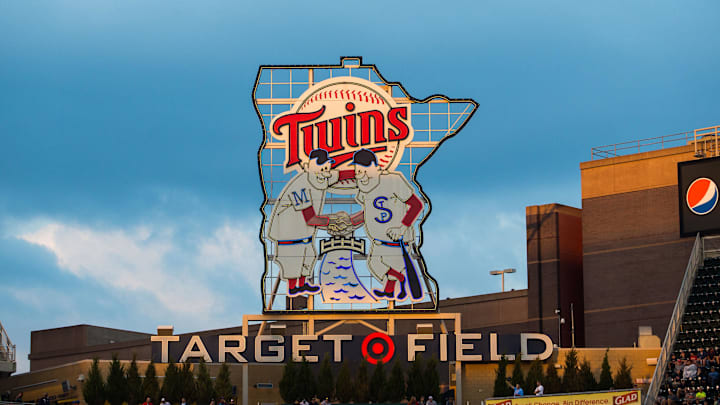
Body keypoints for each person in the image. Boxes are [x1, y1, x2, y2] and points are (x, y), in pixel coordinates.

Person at [267, 148, 353, 297]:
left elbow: (340, 175)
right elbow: (310, 218)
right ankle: (294, 287)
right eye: (322, 168)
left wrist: (370, 172)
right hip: (288, 234)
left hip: (303, 234)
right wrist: (333, 220)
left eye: (327, 168)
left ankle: (302, 284)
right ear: (308, 167)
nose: (325, 172)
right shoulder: (300, 186)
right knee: (294, 261)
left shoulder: (320, 176)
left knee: (309, 256)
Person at [352, 149, 424, 301]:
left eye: (364, 171)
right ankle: (394, 287)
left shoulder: (393, 180)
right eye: (358, 171)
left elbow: (416, 205)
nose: (361, 175)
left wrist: (402, 228)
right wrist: (349, 222)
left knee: (384, 264)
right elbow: (368, 212)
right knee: (374, 264)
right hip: (378, 241)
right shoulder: (364, 188)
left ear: (374, 166)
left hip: (396, 241)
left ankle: (397, 284)